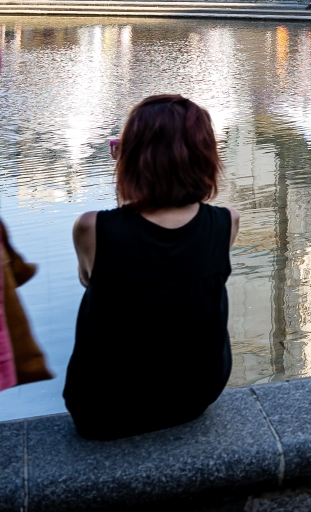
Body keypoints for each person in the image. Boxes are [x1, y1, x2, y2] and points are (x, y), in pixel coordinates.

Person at [64, 95, 237, 441]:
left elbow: (89, 279)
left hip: (103, 410)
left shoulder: (93, 228)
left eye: (120, 149)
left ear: (135, 160)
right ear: (203, 157)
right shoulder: (226, 222)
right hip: (196, 396)